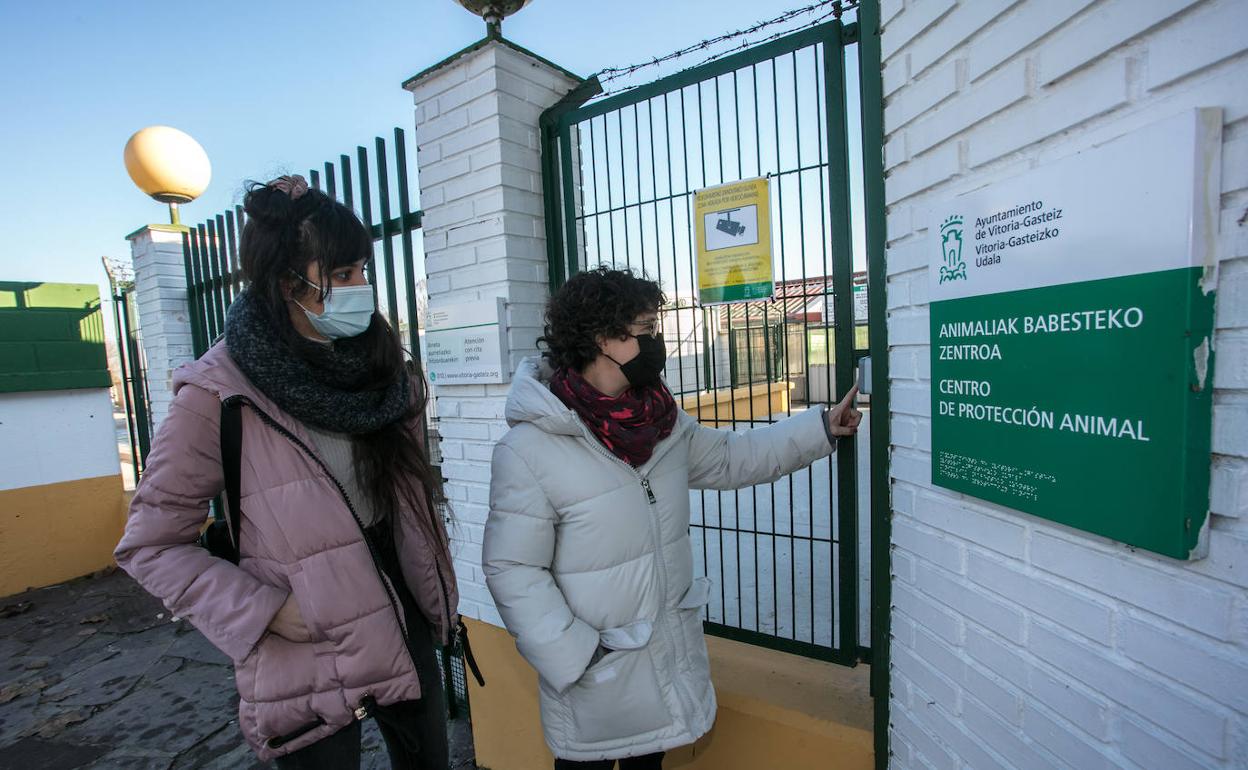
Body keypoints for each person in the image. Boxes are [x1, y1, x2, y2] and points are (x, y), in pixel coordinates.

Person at [114, 175, 459, 769]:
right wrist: (262, 610)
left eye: (362, 271)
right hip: (306, 635)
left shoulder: (381, 368)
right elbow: (150, 545)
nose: (362, 289)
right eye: (343, 275)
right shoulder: (218, 392)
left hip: (402, 606)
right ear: (286, 284)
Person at [483, 267, 861, 769]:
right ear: (603, 339)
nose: (657, 343)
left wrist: (820, 429)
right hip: (594, 679)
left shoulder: (660, 421)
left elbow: (731, 457)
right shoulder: (529, 449)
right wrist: (575, 656)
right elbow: (512, 568)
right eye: (646, 331)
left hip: (661, 667)